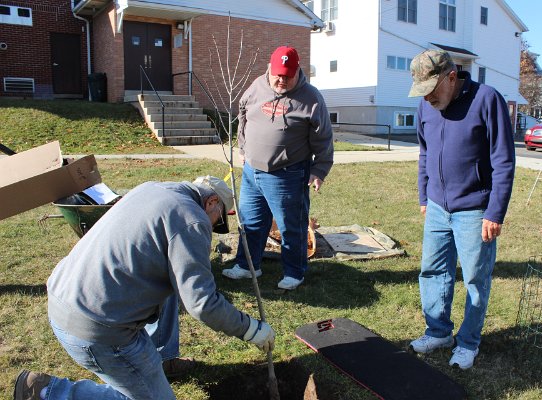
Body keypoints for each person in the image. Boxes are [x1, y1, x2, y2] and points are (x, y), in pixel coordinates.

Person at [13, 176, 275, 400]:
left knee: (173, 289)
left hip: (65, 295)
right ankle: (48, 392)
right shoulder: (192, 220)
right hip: (96, 328)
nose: (213, 227)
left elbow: (181, 287)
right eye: (217, 220)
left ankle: (161, 359)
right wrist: (251, 329)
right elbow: (202, 303)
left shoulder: (152, 189)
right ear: (212, 202)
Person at [407, 50, 515, 370]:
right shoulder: (426, 107)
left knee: (474, 280)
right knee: (433, 272)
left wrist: (494, 212)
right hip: (438, 207)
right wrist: (425, 197)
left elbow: (503, 161)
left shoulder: (487, 100)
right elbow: (425, 154)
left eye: (431, 89)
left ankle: (468, 342)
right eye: (421, 92)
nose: (426, 98)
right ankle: (438, 331)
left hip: (475, 210)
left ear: (451, 77)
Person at [222, 46, 334, 290]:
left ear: (297, 72)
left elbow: (323, 137)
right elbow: (242, 114)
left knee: (290, 225)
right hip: (252, 171)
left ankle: (294, 272)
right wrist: (243, 147)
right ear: (270, 69)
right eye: (278, 74)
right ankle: (247, 266)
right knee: (251, 222)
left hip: (288, 173)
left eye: (288, 75)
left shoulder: (311, 98)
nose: (282, 80)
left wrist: (319, 170)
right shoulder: (257, 86)